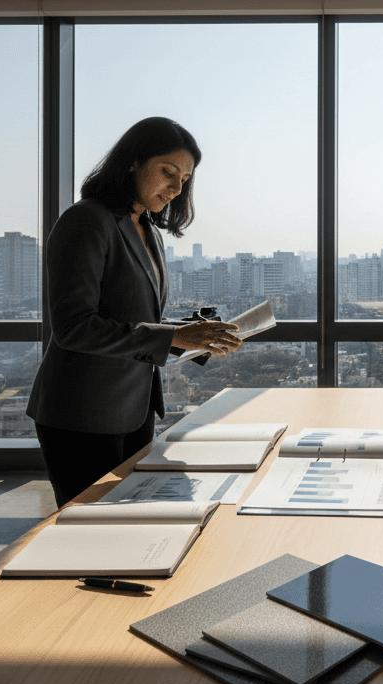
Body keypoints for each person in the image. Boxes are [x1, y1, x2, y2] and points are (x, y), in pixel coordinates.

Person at [26, 117, 243, 508]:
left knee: (130, 526)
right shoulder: (86, 221)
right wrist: (173, 336)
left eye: (185, 179)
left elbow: (134, 318)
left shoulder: (148, 230)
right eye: (168, 172)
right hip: (82, 414)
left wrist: (194, 336)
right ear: (132, 161)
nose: (177, 188)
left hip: (135, 410)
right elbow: (74, 327)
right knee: (91, 533)